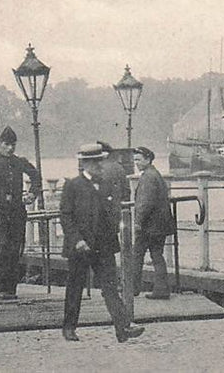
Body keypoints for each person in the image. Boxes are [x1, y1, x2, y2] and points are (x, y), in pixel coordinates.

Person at [60, 143, 144, 344]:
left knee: (110, 287)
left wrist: (114, 230)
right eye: (96, 162)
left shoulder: (106, 184)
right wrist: (77, 240)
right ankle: (69, 328)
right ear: (86, 163)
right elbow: (66, 216)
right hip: (80, 247)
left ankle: (123, 327)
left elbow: (112, 213)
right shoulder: (72, 186)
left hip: (103, 246)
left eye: (101, 160)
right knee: (75, 287)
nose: (100, 165)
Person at [0, 126, 42, 300]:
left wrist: (32, 193)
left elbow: (36, 176)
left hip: (16, 211)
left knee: (15, 249)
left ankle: (11, 289)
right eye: (7, 144)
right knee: (1, 248)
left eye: (13, 145)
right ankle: (1, 288)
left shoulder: (19, 162)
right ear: (0, 144)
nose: (10, 148)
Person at [132, 146, 175, 301]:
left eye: (138, 159)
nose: (136, 163)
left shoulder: (148, 177)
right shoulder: (154, 174)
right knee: (157, 255)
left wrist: (137, 223)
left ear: (148, 159)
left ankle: (132, 288)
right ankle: (162, 289)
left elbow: (145, 203)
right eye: (135, 160)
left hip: (149, 226)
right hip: (159, 225)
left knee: (137, 254)